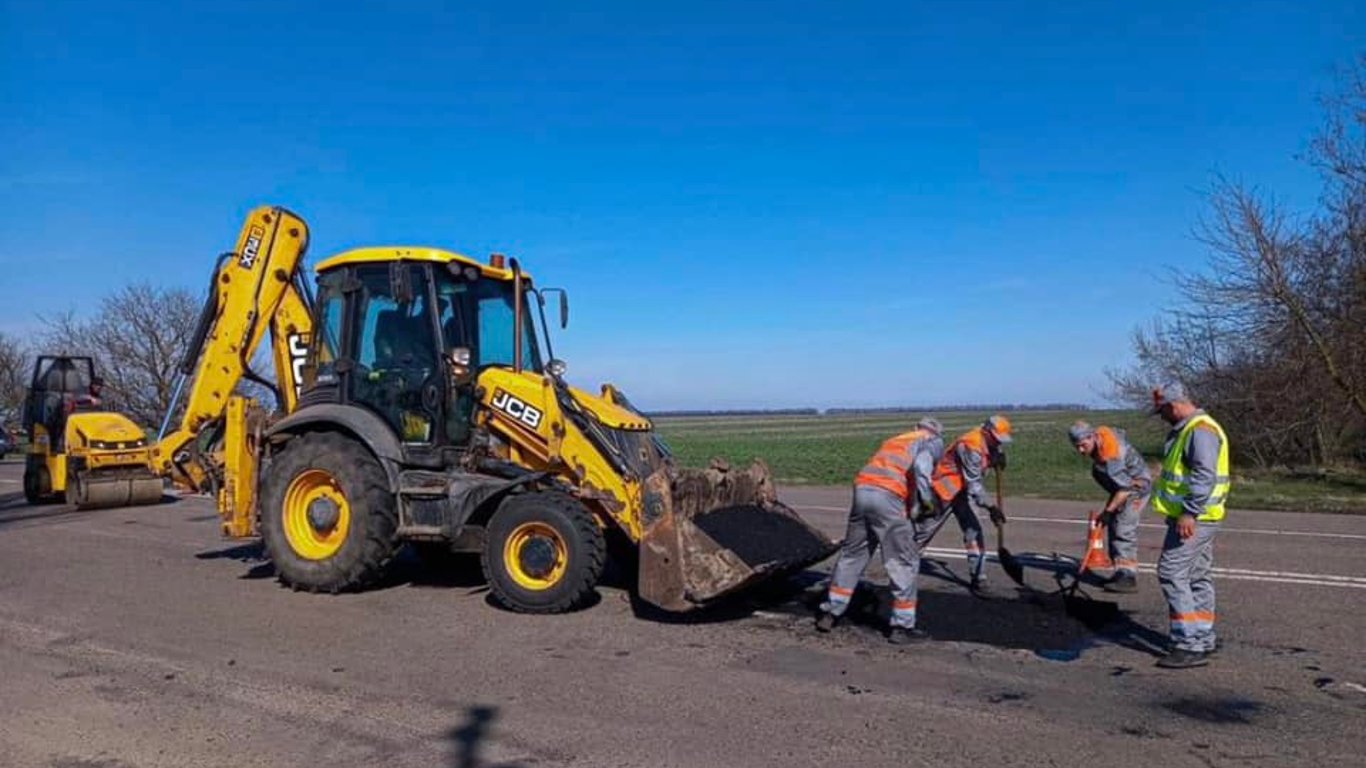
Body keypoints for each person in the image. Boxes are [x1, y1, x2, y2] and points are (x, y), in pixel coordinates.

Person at [815, 417, 945, 644]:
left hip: (863, 492)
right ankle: (901, 627)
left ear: (916, 427)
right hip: (888, 497)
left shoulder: (897, 440)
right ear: (935, 434)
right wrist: (927, 503)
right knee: (903, 560)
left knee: (852, 554)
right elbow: (922, 469)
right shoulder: (930, 442)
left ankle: (831, 612)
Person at [1151, 383, 1230, 669]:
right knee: (1197, 574)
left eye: (1162, 411)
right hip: (1202, 516)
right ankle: (1203, 635)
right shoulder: (1196, 427)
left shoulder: (1199, 430)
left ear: (1174, 405)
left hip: (1195, 518)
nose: (1161, 417)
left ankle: (1188, 643)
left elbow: (1204, 475)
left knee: (1171, 572)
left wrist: (1189, 513)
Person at [923, 415, 1012, 593]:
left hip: (963, 493)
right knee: (923, 532)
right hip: (944, 491)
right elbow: (974, 484)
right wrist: (991, 507)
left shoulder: (991, 442)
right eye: (996, 440)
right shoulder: (971, 444)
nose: (998, 443)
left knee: (974, 531)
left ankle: (979, 578)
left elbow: (985, 463)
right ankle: (902, 566)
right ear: (987, 432)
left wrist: (997, 458)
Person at [1067, 420, 1151, 593]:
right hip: (1122, 487)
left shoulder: (1112, 453)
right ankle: (1120, 570)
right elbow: (1118, 487)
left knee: (1123, 528)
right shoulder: (1100, 444)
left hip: (1137, 489)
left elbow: (1125, 488)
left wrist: (1108, 511)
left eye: (1083, 445)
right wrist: (1108, 512)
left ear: (1093, 437)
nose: (1081, 451)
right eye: (1077, 447)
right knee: (1114, 524)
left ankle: (1127, 577)